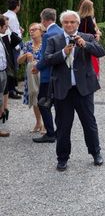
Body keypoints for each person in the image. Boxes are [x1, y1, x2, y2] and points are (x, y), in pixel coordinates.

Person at [41, 10, 105, 171]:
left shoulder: (87, 37)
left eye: (72, 22)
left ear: (77, 23)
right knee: (63, 126)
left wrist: (86, 44)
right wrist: (63, 53)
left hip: (83, 89)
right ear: (62, 24)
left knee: (89, 123)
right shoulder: (53, 39)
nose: (69, 25)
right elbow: (47, 59)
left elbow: (100, 52)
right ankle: (62, 158)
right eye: (66, 22)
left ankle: (96, 152)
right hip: (63, 89)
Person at [32, 8, 63, 143]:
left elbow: (46, 58)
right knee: (59, 104)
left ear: (44, 20)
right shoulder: (61, 31)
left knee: (43, 103)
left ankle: (50, 133)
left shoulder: (48, 34)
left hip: (48, 76)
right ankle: (59, 131)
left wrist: (37, 67)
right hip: (60, 75)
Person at [17, 23, 45, 133]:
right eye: (30, 30)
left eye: (34, 29)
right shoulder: (27, 44)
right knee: (34, 98)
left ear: (41, 31)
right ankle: (38, 122)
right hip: (31, 76)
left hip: (43, 75)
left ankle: (46, 124)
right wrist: (25, 55)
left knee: (43, 98)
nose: (31, 32)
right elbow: (19, 61)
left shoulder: (46, 44)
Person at [0, 15, 22, 137]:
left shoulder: (2, 37)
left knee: (1, 98)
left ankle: (2, 112)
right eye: (5, 26)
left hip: (3, 72)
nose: (7, 28)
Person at [4, 0, 24, 100]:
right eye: (19, 4)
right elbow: (10, 32)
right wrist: (17, 46)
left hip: (13, 44)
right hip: (13, 45)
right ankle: (11, 90)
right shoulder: (11, 16)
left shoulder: (8, 15)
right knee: (13, 67)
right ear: (17, 6)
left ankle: (13, 87)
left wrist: (20, 29)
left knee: (14, 67)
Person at [78, 0, 102, 78]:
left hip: (79, 41)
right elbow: (93, 33)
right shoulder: (88, 19)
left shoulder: (78, 18)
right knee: (91, 61)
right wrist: (97, 34)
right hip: (88, 42)